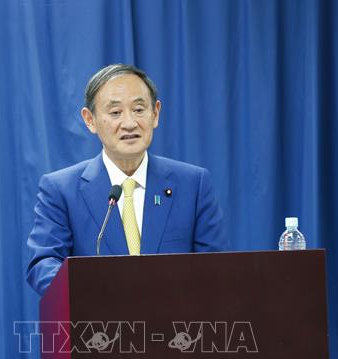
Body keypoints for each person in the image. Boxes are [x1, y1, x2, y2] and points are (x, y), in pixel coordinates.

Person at [26, 64, 229, 295]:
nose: (130, 123)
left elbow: (217, 268)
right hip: (98, 327)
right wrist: (91, 292)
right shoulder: (61, 190)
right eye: (115, 113)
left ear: (156, 113)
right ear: (90, 119)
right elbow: (43, 263)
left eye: (139, 109)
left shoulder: (193, 184)